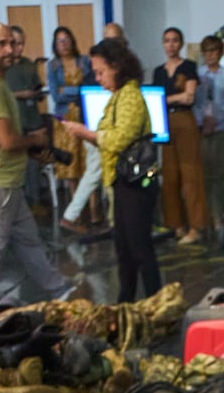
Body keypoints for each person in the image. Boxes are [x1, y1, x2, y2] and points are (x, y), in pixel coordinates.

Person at [0, 22, 77, 330]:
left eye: (12, 43)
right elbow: (6, 141)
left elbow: (2, 138)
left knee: (28, 241)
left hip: (7, 181)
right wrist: (35, 139)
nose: (9, 50)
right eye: (1, 44)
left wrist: (31, 148)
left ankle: (58, 288)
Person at [62, 38, 162, 303]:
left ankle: (156, 303)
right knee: (125, 248)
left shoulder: (130, 96)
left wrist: (87, 134)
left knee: (138, 248)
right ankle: (125, 302)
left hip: (134, 183)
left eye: (101, 72)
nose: (98, 78)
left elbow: (119, 139)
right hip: (122, 181)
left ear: (117, 67)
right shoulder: (119, 96)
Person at [153, 27, 208, 245]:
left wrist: (167, 99)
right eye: (167, 41)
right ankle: (176, 225)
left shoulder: (188, 67)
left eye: (175, 40)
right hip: (164, 122)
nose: (171, 45)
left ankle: (196, 226)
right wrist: (176, 97)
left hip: (185, 120)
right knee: (169, 176)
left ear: (181, 43)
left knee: (191, 174)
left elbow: (189, 97)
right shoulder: (158, 71)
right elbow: (155, 99)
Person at [194, 35, 224, 235]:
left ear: (220, 53)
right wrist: (203, 121)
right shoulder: (198, 74)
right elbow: (195, 102)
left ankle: (219, 217)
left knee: (218, 175)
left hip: (222, 129)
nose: (209, 55)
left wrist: (215, 120)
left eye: (213, 51)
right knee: (203, 174)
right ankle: (203, 218)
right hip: (201, 129)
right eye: (206, 52)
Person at [59, 42, 105, 236]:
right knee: (94, 174)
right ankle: (71, 215)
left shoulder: (89, 77)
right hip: (96, 132)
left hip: (92, 130)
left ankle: (73, 215)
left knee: (94, 174)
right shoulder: (97, 78)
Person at [5, 24, 44, 210]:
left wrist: (37, 94)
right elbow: (0, 95)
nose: (19, 48)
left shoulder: (28, 64)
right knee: (17, 166)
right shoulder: (2, 68)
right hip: (13, 124)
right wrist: (20, 95)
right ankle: (19, 205)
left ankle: (36, 202)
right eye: (15, 43)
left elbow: (37, 87)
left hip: (32, 120)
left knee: (33, 164)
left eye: (22, 44)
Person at [46, 26, 89, 197]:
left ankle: (93, 206)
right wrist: (76, 90)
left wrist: (67, 90)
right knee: (70, 162)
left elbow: (87, 89)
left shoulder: (84, 61)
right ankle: (75, 204)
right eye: (59, 41)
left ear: (72, 41)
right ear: (55, 45)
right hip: (64, 119)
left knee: (86, 160)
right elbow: (56, 96)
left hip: (83, 115)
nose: (63, 44)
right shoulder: (52, 66)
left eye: (66, 40)